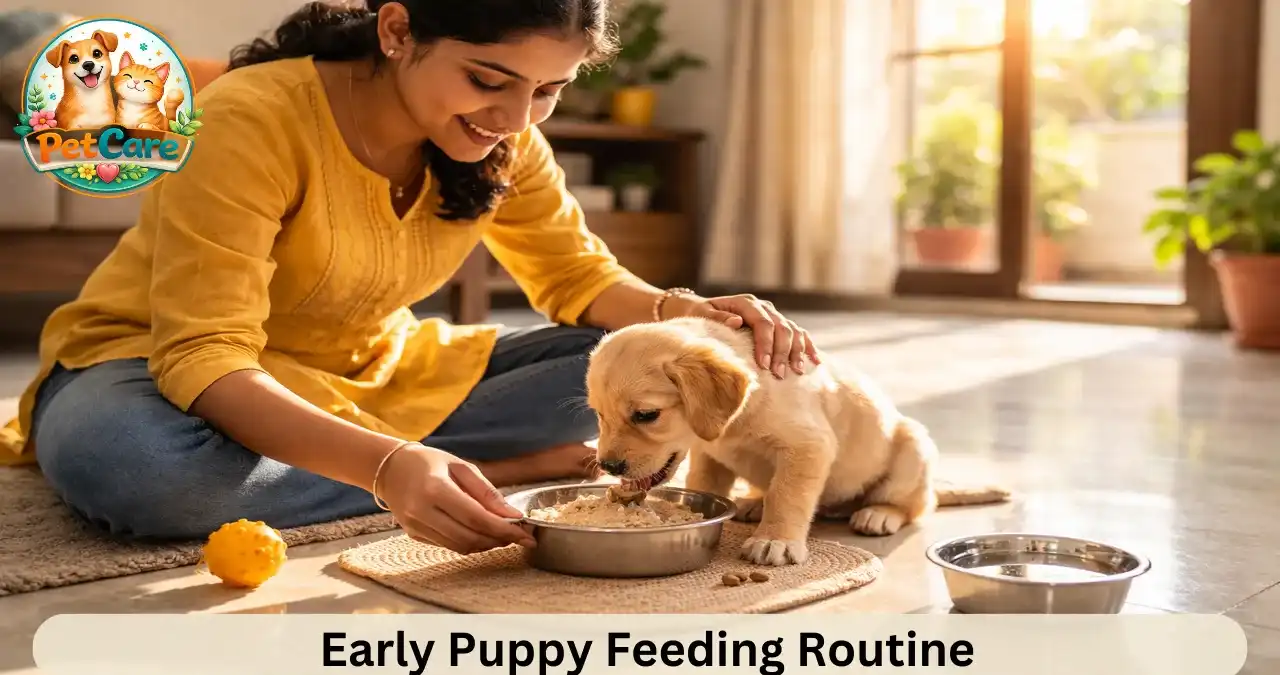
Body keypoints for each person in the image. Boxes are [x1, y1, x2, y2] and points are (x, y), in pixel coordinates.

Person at [0, 0, 821, 555]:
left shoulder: (508, 139)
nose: (515, 118)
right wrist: (388, 468)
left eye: (550, 90)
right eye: (489, 81)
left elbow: (575, 277)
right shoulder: (250, 118)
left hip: (378, 378)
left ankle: (408, 462)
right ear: (397, 29)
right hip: (157, 372)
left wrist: (690, 314)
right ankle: (492, 471)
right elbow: (205, 354)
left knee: (640, 369)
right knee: (136, 470)